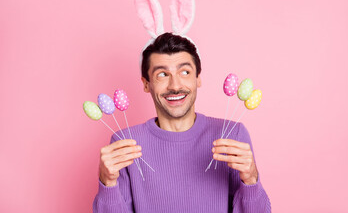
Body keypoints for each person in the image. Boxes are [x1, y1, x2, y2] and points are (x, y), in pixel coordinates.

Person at [92, 32, 271, 212]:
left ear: (198, 78)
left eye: (185, 72)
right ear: (146, 84)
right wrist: (107, 184)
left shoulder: (232, 134)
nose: (175, 86)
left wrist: (251, 180)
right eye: (162, 74)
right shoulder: (124, 143)